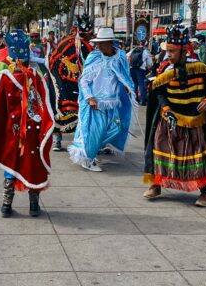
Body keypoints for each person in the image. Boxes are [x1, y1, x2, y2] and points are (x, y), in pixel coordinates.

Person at [143, 24, 206, 208]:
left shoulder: (200, 68)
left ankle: (205, 192)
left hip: (196, 122)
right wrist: (165, 108)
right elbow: (159, 93)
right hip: (169, 120)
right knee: (161, 152)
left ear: (185, 51)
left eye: (173, 51)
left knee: (199, 156)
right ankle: (156, 184)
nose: (169, 55)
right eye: (169, 51)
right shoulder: (165, 70)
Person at [0, 29, 54, 218]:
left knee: (10, 165)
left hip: (11, 132)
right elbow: (46, 106)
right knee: (33, 165)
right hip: (33, 132)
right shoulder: (37, 79)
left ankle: (6, 205)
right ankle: (33, 206)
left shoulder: (5, 78)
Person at [68, 27, 135, 172]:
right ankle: (88, 160)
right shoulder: (94, 57)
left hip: (114, 102)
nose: (99, 46)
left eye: (103, 43)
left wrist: (127, 87)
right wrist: (90, 98)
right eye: (98, 43)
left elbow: (124, 75)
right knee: (94, 132)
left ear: (110, 43)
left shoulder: (121, 56)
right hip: (96, 104)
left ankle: (95, 148)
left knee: (116, 129)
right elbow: (84, 80)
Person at [47, 15, 94, 151]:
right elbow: (53, 62)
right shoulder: (69, 44)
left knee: (79, 114)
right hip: (65, 85)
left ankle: (75, 140)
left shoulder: (86, 47)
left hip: (76, 85)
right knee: (60, 109)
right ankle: (59, 139)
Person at [128, 40, 153, 106]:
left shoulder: (133, 49)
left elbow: (126, 56)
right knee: (141, 84)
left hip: (132, 68)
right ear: (146, 44)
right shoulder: (145, 51)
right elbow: (150, 63)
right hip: (140, 69)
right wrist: (148, 66)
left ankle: (134, 99)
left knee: (134, 84)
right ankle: (142, 100)